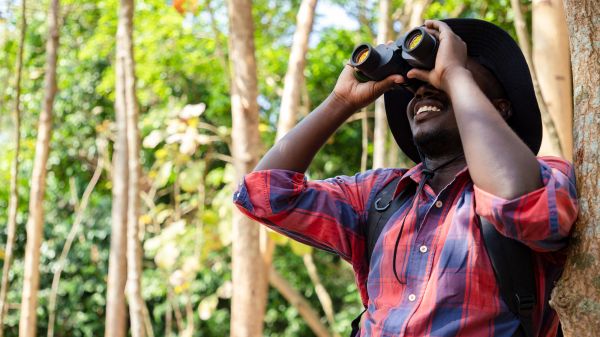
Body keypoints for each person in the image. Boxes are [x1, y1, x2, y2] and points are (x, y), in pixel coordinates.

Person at [233, 18, 578, 337]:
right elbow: (266, 195)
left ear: (500, 107)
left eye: (441, 80)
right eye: (417, 87)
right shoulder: (380, 196)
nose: (425, 90)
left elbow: (523, 205)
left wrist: (454, 74)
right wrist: (340, 101)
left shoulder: (547, 175)